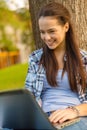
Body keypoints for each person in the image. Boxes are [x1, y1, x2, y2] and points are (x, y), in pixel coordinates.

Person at [25, 2, 87, 130]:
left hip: (75, 118)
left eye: (51, 31)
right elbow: (28, 97)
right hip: (44, 118)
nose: (47, 37)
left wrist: (73, 111)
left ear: (66, 27)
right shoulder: (36, 59)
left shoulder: (84, 59)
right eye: (42, 32)